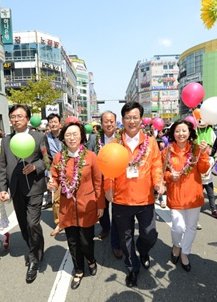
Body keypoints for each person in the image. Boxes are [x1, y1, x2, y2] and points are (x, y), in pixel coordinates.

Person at [104, 102, 164, 288]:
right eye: (128, 117)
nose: (132, 121)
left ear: (141, 120)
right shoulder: (114, 144)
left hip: (145, 198)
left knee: (149, 234)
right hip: (121, 200)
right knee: (125, 238)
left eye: (135, 117)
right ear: (123, 120)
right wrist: (108, 188)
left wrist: (158, 183)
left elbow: (156, 165)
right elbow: (107, 169)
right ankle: (132, 269)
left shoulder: (151, 142)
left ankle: (143, 250)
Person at [47, 122, 105, 289]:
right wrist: (51, 184)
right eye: (68, 135)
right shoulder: (59, 158)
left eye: (75, 134)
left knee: (86, 242)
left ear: (81, 136)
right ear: (63, 138)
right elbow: (55, 178)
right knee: (73, 242)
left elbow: (98, 182)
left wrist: (100, 204)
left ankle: (91, 260)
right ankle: (79, 270)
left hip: (87, 206)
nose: (72, 137)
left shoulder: (91, 156)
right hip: (67, 208)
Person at [0, 104, 48, 284]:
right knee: (23, 225)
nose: (16, 119)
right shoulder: (6, 140)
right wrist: (3, 189)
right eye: (13, 116)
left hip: (34, 187)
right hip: (16, 188)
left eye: (20, 116)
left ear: (27, 118)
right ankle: (34, 247)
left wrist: (36, 167)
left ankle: (34, 260)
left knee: (32, 223)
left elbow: (46, 160)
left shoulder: (39, 136)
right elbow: (2, 167)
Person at [162, 120, 210, 272]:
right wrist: (170, 176)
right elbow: (161, 173)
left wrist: (203, 154)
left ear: (190, 133)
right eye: (177, 131)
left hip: (193, 196)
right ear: (172, 133)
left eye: (184, 131)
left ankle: (185, 252)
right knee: (178, 227)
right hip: (176, 195)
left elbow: (203, 170)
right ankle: (176, 245)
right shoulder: (167, 151)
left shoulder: (197, 149)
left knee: (190, 227)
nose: (180, 134)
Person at [87, 111, 123, 259]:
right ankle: (105, 227)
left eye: (111, 121)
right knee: (101, 206)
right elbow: (88, 155)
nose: (109, 124)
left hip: (116, 180)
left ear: (116, 122)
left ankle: (116, 243)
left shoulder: (121, 139)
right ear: (101, 124)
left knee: (117, 211)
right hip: (99, 180)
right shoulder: (94, 138)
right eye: (106, 121)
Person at [45, 113, 63, 236]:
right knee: (56, 198)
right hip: (54, 171)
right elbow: (45, 156)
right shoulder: (45, 138)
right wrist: (48, 173)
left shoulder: (67, 134)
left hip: (69, 170)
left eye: (55, 121)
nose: (53, 124)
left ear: (60, 124)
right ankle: (59, 223)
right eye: (51, 122)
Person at [201, 143, 217, 219]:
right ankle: (193, 208)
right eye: (208, 148)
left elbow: (213, 170)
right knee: (198, 196)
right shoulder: (199, 158)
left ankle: (214, 210)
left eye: (210, 149)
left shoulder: (212, 159)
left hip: (209, 181)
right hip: (200, 182)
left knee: (211, 196)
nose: (210, 150)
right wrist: (202, 174)